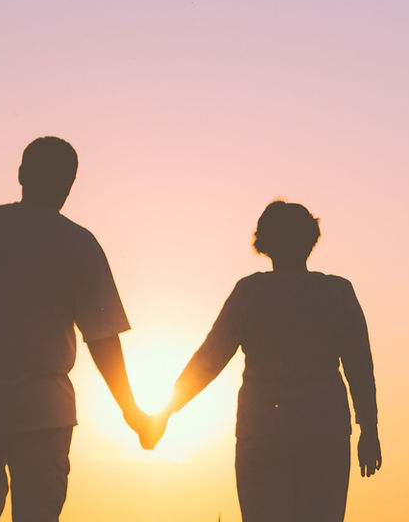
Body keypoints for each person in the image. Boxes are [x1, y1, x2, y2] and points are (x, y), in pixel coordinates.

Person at [0, 136, 160, 522]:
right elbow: (102, 338)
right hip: (44, 414)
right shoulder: (79, 243)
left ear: (20, 174)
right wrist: (130, 410)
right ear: (70, 182)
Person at [156, 199, 382, 521]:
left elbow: (210, 358)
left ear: (264, 242)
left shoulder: (251, 293)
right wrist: (369, 430)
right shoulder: (337, 293)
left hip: (263, 435)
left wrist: (165, 411)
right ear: (310, 240)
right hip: (323, 432)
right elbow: (360, 369)